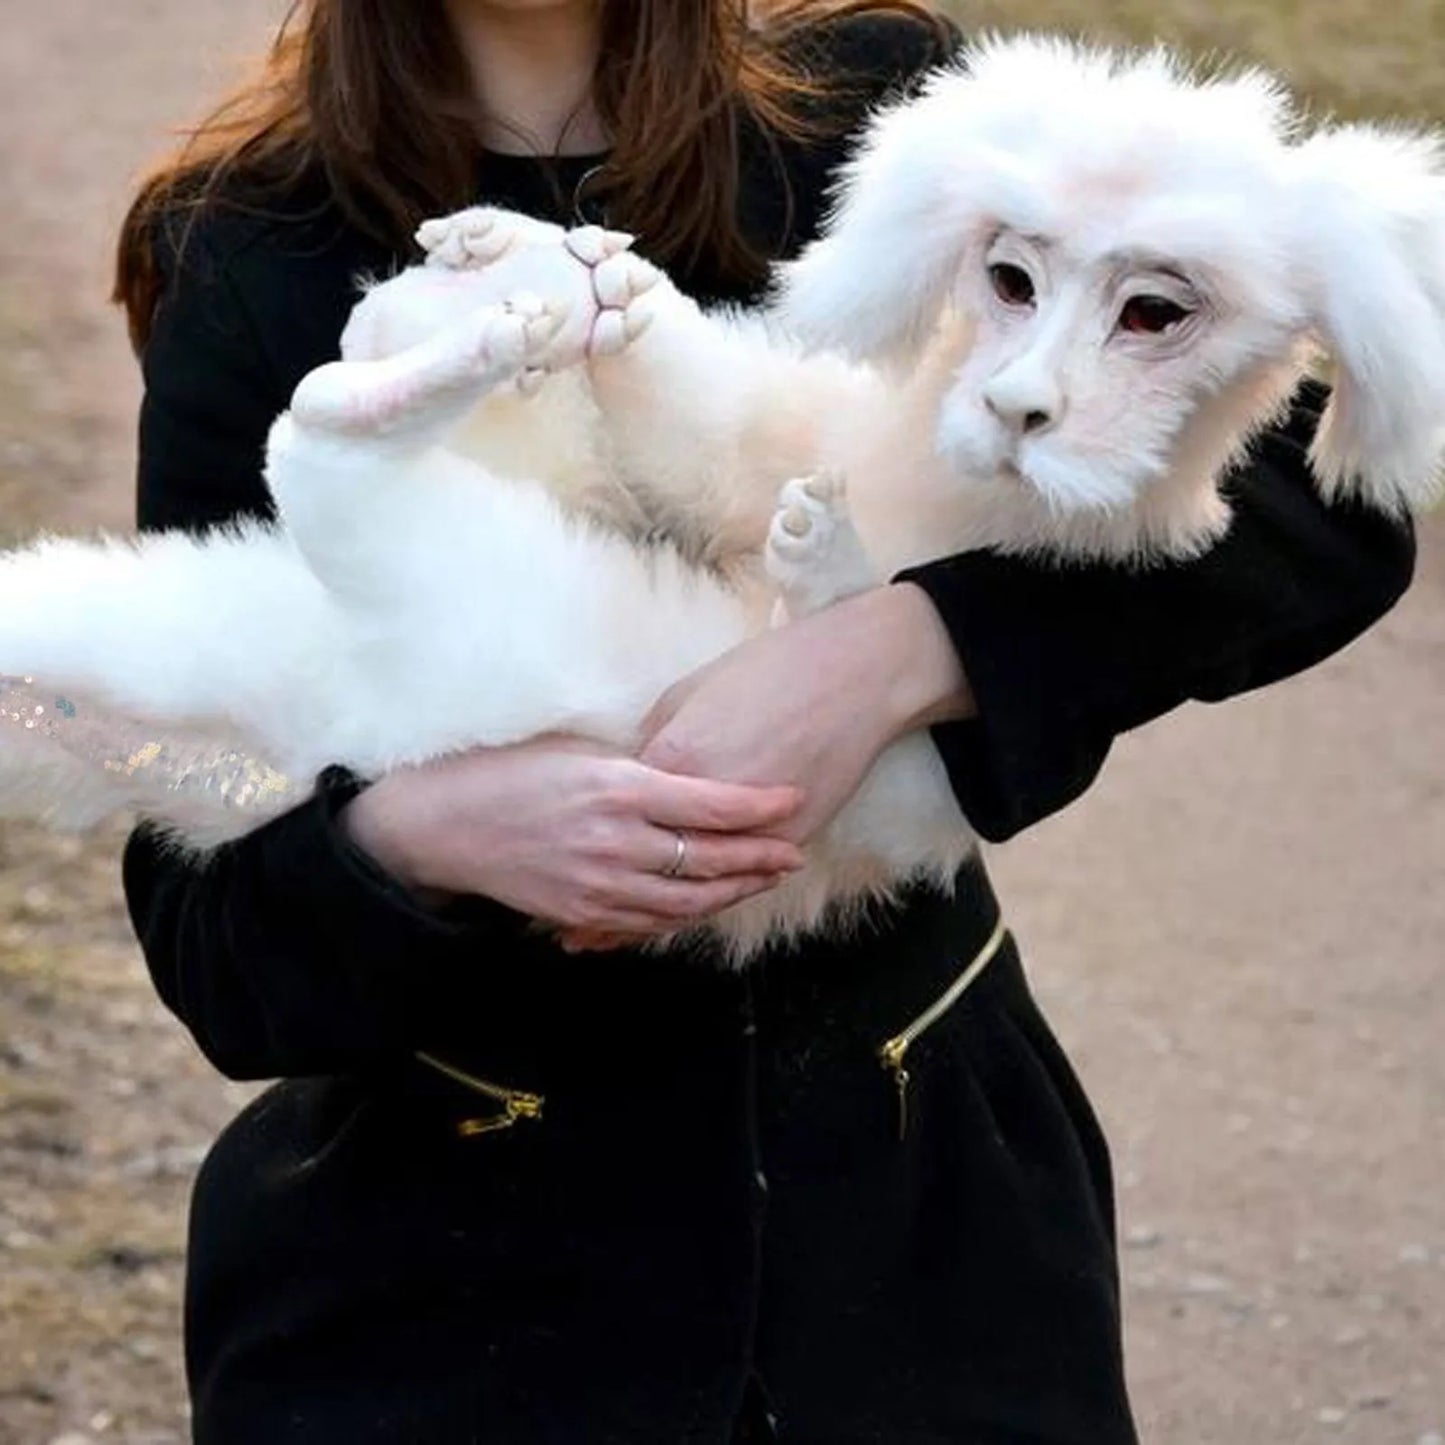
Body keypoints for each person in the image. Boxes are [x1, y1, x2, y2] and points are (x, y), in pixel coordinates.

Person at [114, 1, 1415, 1441]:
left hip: (924, 1224)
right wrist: (417, 836)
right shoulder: (244, 245)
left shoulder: (882, 106)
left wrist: (902, 649)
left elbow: (1327, 502)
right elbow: (208, 902)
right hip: (441, 1280)